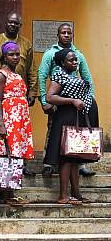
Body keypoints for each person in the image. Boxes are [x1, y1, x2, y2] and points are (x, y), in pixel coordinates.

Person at [0, 12, 38, 176]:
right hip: (2, 99)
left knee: (18, 138)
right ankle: (3, 176)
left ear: (20, 25)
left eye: (16, 23)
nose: (13, 25)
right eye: (10, 22)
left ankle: (19, 167)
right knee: (2, 136)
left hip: (20, 102)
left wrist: (32, 91)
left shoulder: (26, 44)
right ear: (5, 23)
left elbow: (31, 69)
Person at [38, 23, 95, 177]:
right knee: (53, 129)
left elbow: (87, 77)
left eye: (69, 32)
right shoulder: (50, 54)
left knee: (78, 131)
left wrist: (90, 100)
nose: (66, 35)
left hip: (76, 101)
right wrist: (44, 101)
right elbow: (42, 76)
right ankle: (49, 162)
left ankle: (80, 163)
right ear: (58, 35)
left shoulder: (78, 55)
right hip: (57, 98)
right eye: (63, 32)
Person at [44, 49, 99, 205]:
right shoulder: (59, 76)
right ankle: (63, 196)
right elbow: (50, 97)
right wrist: (72, 101)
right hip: (65, 118)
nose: (75, 62)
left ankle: (76, 194)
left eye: (76, 60)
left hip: (77, 118)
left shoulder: (73, 76)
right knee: (66, 159)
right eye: (71, 60)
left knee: (74, 158)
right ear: (62, 63)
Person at [0, 41, 35, 205]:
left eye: (17, 54)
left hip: (19, 121)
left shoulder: (17, 75)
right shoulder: (1, 74)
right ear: (4, 57)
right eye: (11, 54)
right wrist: (1, 124)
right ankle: (4, 194)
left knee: (14, 155)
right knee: (4, 154)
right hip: (7, 119)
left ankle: (11, 191)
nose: (16, 57)